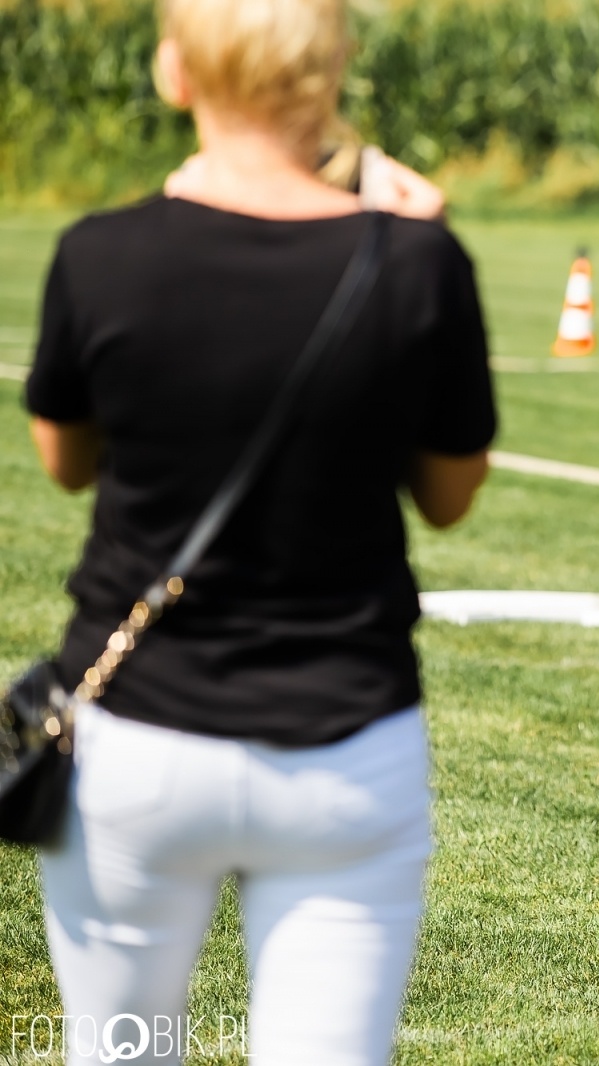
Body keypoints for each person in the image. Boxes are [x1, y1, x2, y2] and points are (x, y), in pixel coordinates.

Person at [22, 0, 495, 1062]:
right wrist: (420, 238)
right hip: (345, 746)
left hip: (135, 742)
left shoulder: (101, 255)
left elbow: (66, 463)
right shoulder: (418, 264)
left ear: (174, 73)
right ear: (332, 76)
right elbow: (451, 494)